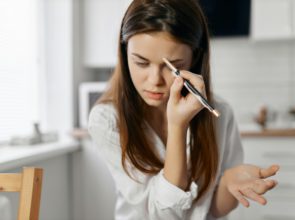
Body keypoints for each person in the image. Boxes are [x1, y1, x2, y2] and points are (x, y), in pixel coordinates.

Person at [88, 0, 280, 219]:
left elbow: (211, 210)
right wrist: (178, 126)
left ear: (194, 58)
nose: (154, 80)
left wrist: (228, 183)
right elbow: (163, 215)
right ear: (124, 54)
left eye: (173, 67)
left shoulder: (220, 114)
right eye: (141, 63)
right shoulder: (106, 120)